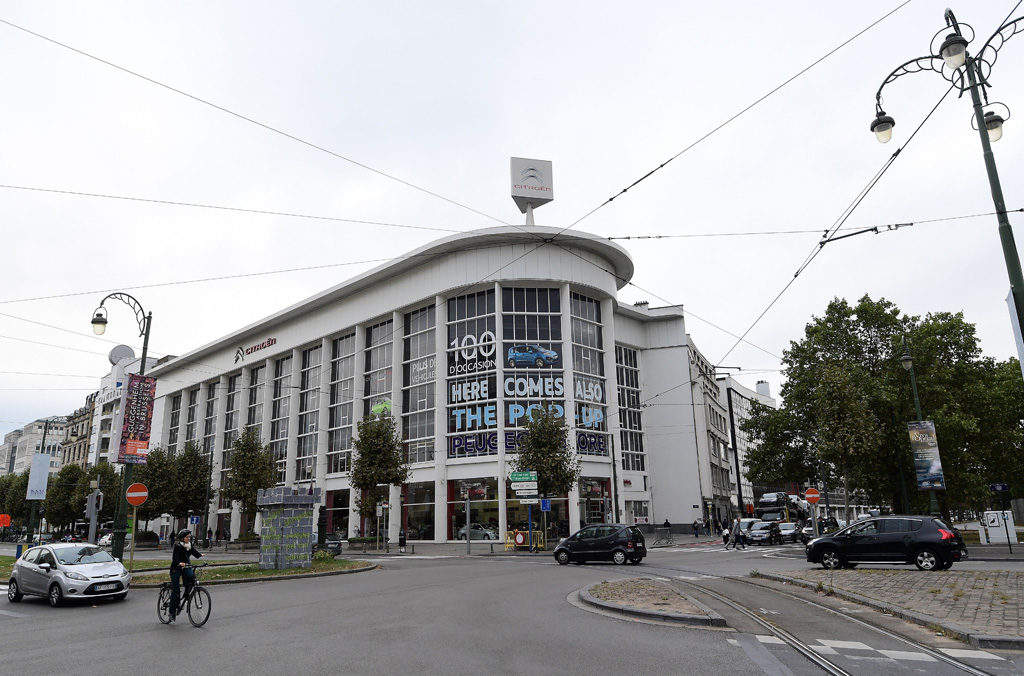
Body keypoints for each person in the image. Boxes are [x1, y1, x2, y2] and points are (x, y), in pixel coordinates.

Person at [169, 529, 203, 622]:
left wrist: (201, 555)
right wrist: (180, 563)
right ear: (182, 538)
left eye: (189, 537)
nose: (188, 538)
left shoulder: (189, 546)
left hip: (185, 567)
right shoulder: (178, 547)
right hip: (176, 568)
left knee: (191, 577)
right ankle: (172, 612)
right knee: (175, 591)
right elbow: (175, 559)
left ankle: (186, 594)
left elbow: (195, 553)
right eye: (187, 537)